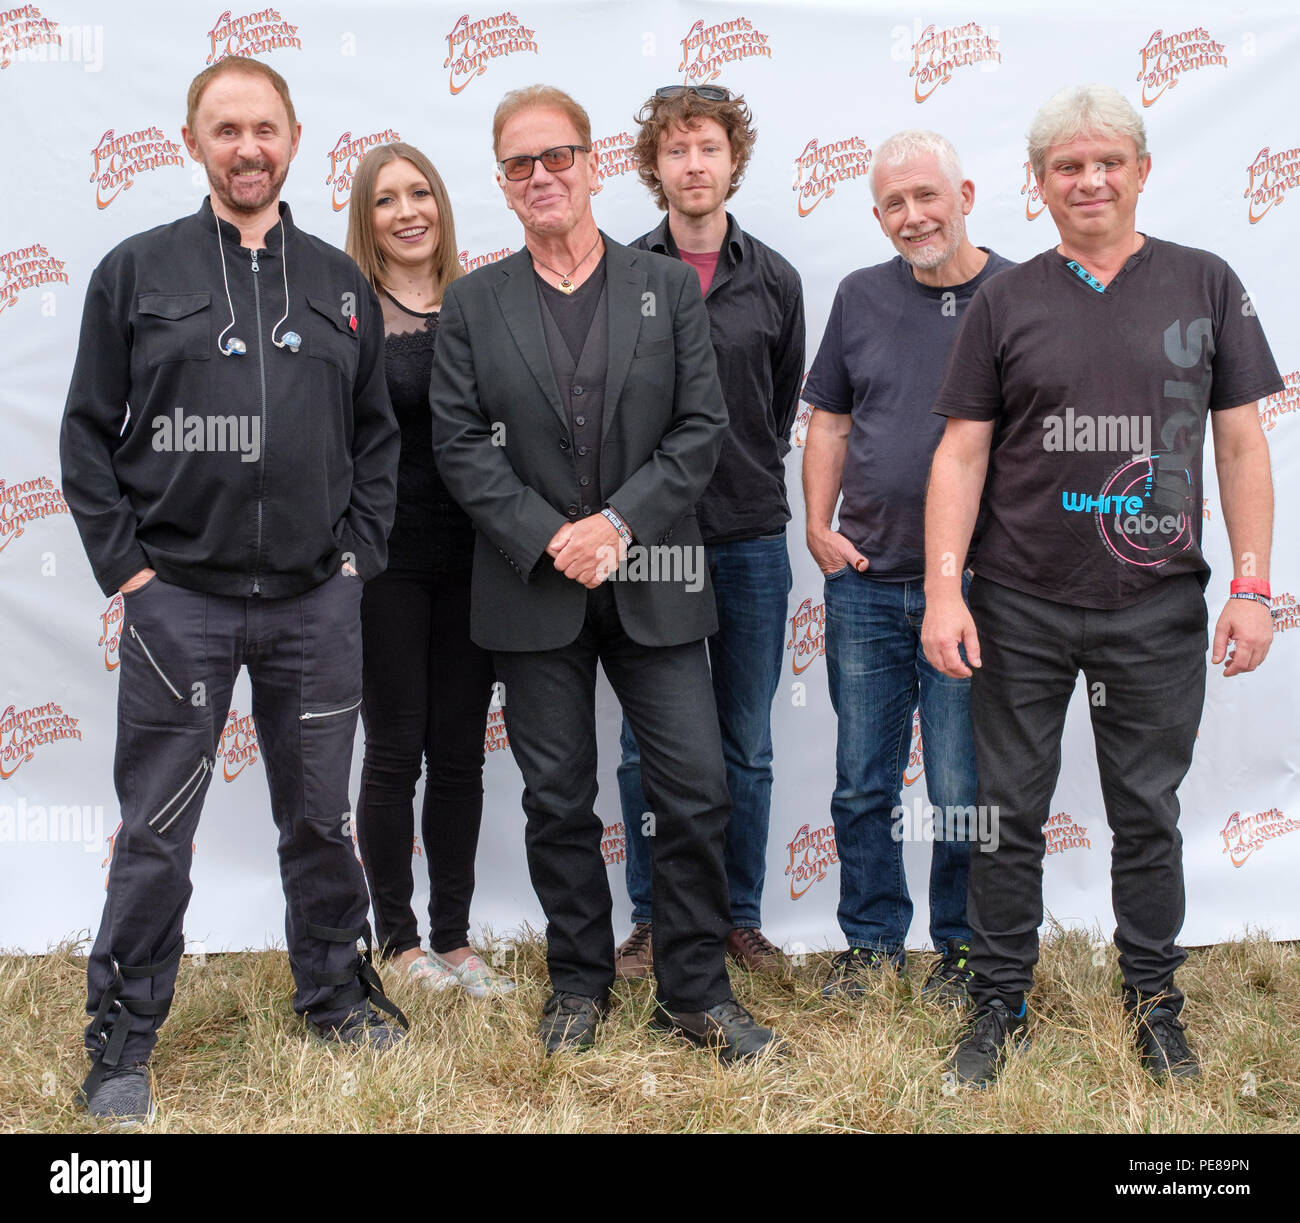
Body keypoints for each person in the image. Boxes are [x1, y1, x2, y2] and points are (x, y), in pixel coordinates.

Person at [59, 56, 404, 1123]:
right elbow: (85, 435)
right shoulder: (137, 271)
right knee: (158, 826)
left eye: (264, 128)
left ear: (294, 138)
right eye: (225, 129)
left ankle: (335, 992)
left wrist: (356, 561)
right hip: (183, 605)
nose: (246, 147)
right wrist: (133, 574)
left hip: (314, 603)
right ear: (193, 141)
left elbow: (376, 439)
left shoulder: (341, 285)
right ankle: (121, 1039)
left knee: (318, 817)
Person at [923, 84, 1280, 1086]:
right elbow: (958, 454)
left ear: (1140, 170)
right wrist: (945, 591)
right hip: (1019, 600)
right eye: (1067, 166)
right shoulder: (1003, 295)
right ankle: (997, 1003)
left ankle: (1155, 1002)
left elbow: (1243, 444)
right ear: (1037, 186)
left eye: (1107, 161)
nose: (1089, 180)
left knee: (1146, 812)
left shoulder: (1204, 281)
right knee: (1006, 810)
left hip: (1155, 602)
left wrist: (1253, 586)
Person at [429, 85, 782, 1062]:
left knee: (698, 786)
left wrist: (617, 525)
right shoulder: (473, 301)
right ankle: (578, 984)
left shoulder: (665, 288)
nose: (541, 176)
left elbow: (701, 430)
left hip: (656, 577)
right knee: (557, 799)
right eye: (519, 164)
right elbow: (460, 446)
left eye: (558, 157)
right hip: (530, 588)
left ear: (592, 165)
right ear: (502, 184)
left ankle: (695, 990)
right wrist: (554, 537)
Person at [803, 130, 1013, 1003]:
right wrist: (817, 524)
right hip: (863, 582)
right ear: (878, 213)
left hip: (972, 593)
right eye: (894, 202)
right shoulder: (858, 296)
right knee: (862, 781)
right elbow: (830, 420)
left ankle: (962, 949)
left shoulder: (1019, 292)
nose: (913, 215)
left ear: (965, 190)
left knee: (964, 785)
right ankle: (871, 943)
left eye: (927, 195)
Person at [612, 84, 805, 980]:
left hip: (751, 539)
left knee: (746, 746)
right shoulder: (622, 274)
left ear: (734, 161)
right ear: (654, 165)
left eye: (709, 149)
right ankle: (653, 919)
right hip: (651, 541)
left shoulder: (775, 280)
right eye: (677, 149)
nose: (694, 165)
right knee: (646, 744)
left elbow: (771, 406)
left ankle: (738, 915)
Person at [345, 143, 513, 999]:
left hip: (480, 558)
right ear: (365, 219)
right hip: (387, 564)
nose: (408, 211)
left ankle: (454, 936)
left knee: (460, 757)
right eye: (386, 200)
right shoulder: (350, 312)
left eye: (421, 194)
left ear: (442, 205)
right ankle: (398, 939)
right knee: (394, 753)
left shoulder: (484, 304)